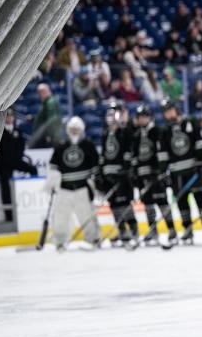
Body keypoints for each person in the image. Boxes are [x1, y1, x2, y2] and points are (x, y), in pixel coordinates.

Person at [159, 99, 202, 244]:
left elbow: (201, 141)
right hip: (177, 173)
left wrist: (201, 160)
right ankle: (187, 229)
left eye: (170, 110)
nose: (169, 114)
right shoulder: (165, 131)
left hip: (194, 170)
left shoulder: (190, 123)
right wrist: (163, 171)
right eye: (166, 112)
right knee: (182, 203)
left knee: (201, 200)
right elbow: (163, 153)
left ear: (176, 110)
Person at [44, 117, 100, 251]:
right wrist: (53, 181)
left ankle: (93, 239)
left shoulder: (88, 145)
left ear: (82, 130)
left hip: (83, 188)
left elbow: (96, 167)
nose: (74, 131)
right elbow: (53, 166)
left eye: (77, 129)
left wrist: (96, 183)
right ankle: (60, 241)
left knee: (87, 215)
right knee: (60, 217)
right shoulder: (61, 146)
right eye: (72, 129)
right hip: (65, 188)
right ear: (68, 130)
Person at [131, 105, 177, 245]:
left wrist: (162, 171)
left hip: (156, 175)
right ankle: (153, 230)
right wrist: (135, 175)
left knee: (162, 203)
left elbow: (162, 152)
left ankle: (171, 230)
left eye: (144, 116)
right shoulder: (136, 135)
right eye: (140, 117)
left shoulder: (158, 131)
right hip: (143, 175)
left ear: (149, 117)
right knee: (148, 205)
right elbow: (135, 156)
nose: (142, 119)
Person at [96, 102, 138, 246]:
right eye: (110, 114)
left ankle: (133, 230)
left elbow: (129, 149)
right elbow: (104, 153)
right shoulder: (105, 132)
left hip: (122, 174)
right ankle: (121, 230)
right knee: (113, 204)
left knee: (125, 203)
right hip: (109, 174)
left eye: (115, 114)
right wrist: (100, 172)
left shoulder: (125, 130)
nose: (112, 117)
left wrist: (127, 169)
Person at [0, 109, 38, 223]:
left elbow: (21, 147)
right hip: (4, 164)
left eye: (11, 116)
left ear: (13, 118)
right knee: (5, 187)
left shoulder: (17, 131)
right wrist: (3, 159)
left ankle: (36, 201)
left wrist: (17, 158)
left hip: (16, 161)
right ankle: (9, 216)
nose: (9, 118)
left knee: (33, 169)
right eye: (7, 116)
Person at [29, 83, 63, 147]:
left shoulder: (50, 102)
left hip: (48, 137)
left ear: (45, 91)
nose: (39, 94)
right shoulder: (47, 102)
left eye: (41, 92)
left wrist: (49, 136)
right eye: (39, 92)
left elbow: (52, 120)